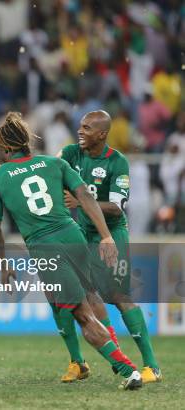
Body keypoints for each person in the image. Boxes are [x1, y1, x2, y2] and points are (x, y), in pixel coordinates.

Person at [0, 112, 142, 390]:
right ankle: (78, 362)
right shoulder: (54, 163)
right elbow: (86, 197)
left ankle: (125, 368)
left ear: (6, 148)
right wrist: (105, 236)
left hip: (45, 246)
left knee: (81, 313)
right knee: (72, 298)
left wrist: (3, 264)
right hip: (74, 236)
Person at [58, 111, 161, 383]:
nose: (80, 131)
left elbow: (116, 208)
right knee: (83, 294)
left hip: (112, 233)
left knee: (117, 295)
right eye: (80, 126)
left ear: (102, 134)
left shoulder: (117, 162)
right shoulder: (71, 154)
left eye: (87, 128)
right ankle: (98, 359)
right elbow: (46, 170)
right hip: (82, 231)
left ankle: (152, 366)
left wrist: (80, 202)